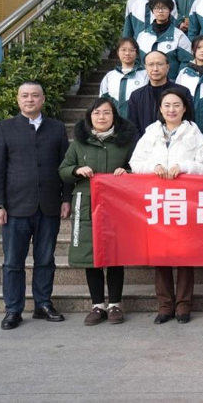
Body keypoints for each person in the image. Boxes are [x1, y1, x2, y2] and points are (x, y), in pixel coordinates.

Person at [0, 82, 70, 330]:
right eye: (25, 95)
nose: (30, 99)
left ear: (43, 99)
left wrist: (66, 198)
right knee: (13, 262)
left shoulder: (57, 128)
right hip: (15, 207)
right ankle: (13, 309)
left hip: (49, 205)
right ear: (18, 99)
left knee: (45, 259)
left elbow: (65, 167)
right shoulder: (4, 128)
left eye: (35, 95)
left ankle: (43, 304)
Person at [129, 88, 203, 324]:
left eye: (176, 105)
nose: (171, 109)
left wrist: (185, 167)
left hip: (184, 203)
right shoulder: (151, 133)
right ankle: (165, 306)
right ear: (160, 109)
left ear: (184, 108)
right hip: (158, 203)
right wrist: (154, 166)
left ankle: (184, 305)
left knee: (185, 255)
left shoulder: (194, 133)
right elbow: (135, 163)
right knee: (161, 254)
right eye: (167, 105)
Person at [58, 97, 136, 326]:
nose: (101, 117)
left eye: (106, 113)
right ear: (89, 117)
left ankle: (115, 304)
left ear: (114, 117)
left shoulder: (124, 143)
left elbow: (139, 167)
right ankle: (97, 305)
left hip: (117, 205)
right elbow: (63, 170)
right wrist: (76, 170)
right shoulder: (79, 144)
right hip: (86, 204)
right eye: (96, 113)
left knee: (115, 255)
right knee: (89, 255)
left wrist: (127, 171)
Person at [126, 50, 194, 136]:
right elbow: (132, 127)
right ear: (145, 67)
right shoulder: (136, 95)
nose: (155, 69)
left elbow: (189, 123)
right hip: (145, 143)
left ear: (168, 67)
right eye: (151, 64)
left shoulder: (183, 92)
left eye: (160, 64)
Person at [135, 0, 192, 77]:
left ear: (170, 10)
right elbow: (136, 61)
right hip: (146, 82)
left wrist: (179, 80)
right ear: (152, 10)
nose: (160, 11)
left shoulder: (179, 35)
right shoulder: (142, 35)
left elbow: (187, 61)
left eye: (164, 8)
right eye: (157, 8)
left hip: (171, 83)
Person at [99, 37, 148, 119]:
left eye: (131, 50)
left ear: (137, 53)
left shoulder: (145, 74)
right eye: (123, 50)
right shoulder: (110, 76)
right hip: (114, 121)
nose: (127, 53)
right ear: (118, 52)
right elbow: (102, 101)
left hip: (138, 120)